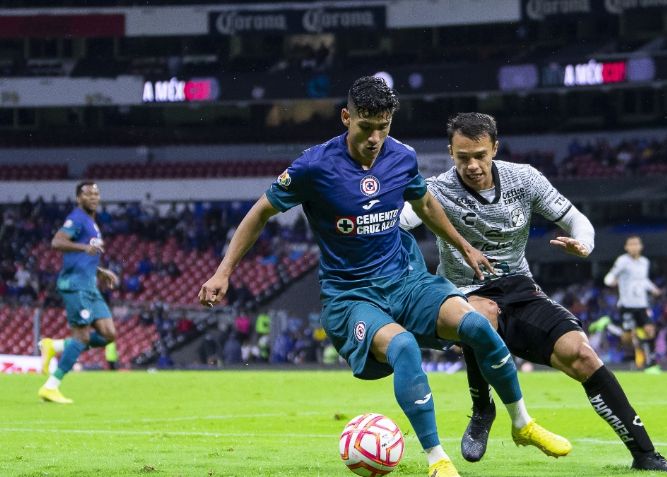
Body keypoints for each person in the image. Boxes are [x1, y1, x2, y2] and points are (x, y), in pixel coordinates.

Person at [197, 77, 569, 477]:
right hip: (352, 297)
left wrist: (463, 246)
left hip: (406, 282)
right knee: (404, 346)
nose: (376, 137)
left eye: (384, 126)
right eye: (366, 126)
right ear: (346, 117)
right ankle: (437, 460)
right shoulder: (313, 166)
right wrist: (223, 272)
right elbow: (260, 212)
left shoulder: (402, 158)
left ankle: (522, 423)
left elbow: (424, 202)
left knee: (477, 326)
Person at [400, 112, 667, 472]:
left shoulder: (525, 178)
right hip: (466, 290)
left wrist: (584, 243)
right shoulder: (436, 189)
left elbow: (576, 219)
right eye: (462, 157)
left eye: (480, 155)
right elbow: (399, 222)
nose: (472, 165)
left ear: (495, 149)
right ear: (450, 153)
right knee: (479, 316)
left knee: (581, 354)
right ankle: (482, 408)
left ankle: (644, 454)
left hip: (519, 288)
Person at [38, 182, 121, 403]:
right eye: (88, 194)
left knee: (108, 334)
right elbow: (57, 241)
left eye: (96, 193)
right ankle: (51, 386)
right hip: (74, 285)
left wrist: (100, 271)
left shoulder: (92, 223)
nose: (93, 197)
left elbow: (85, 256)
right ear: (78, 198)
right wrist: (85, 248)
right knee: (82, 336)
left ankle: (53, 346)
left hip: (89, 284)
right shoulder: (76, 218)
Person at [603, 235, 663, 373]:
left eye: (636, 244)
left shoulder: (644, 262)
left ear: (641, 246)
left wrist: (653, 288)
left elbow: (643, 280)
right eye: (631, 244)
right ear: (626, 247)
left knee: (650, 331)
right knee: (628, 340)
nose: (634, 247)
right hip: (627, 305)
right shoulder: (623, 261)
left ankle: (651, 364)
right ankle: (608, 325)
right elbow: (611, 275)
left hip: (641, 304)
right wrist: (610, 281)